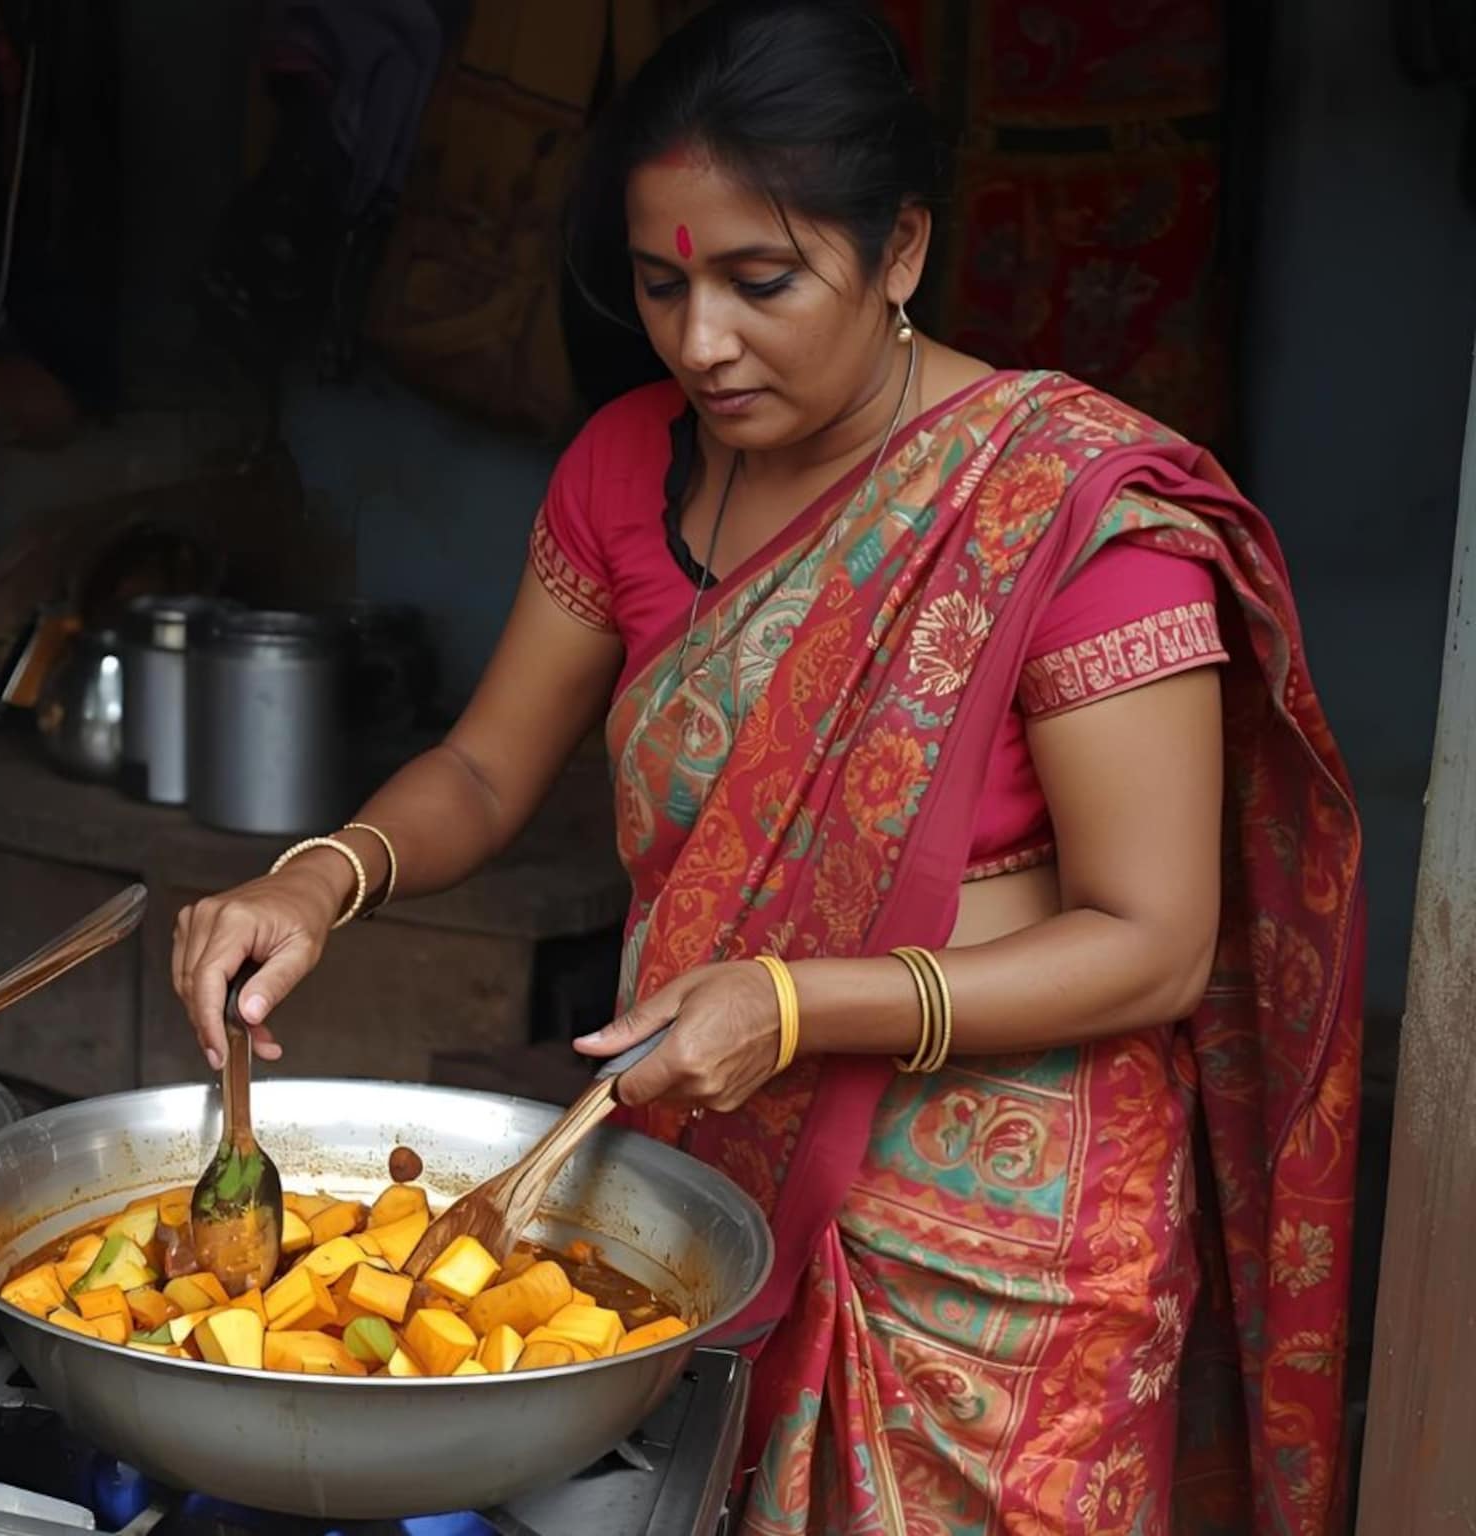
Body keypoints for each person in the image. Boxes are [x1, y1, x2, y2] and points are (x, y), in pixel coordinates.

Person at [171, 2, 1364, 1529]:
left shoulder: (1069, 515)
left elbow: (1152, 944)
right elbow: (480, 772)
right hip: (711, 1190)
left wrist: (796, 1002)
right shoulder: (622, 463)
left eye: (761, 281)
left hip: (1003, 1266)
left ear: (903, 253)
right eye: (662, 287)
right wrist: (316, 878)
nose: (701, 342)